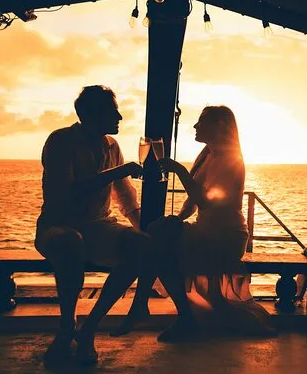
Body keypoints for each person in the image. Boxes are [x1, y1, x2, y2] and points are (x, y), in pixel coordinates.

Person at [114, 105, 274, 341]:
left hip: (227, 236)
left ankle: (159, 311)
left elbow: (207, 202)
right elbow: (193, 200)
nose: (195, 126)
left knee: (157, 238)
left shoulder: (231, 159)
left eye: (202, 121)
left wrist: (179, 171)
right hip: (205, 231)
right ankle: (155, 309)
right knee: (157, 237)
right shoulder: (208, 153)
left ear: (219, 125)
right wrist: (177, 220)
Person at [35, 85, 149, 365]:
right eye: (113, 112)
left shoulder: (112, 146)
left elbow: (125, 198)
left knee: (141, 245)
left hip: (98, 226)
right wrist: (119, 171)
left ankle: (89, 328)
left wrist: (144, 231)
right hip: (57, 224)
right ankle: (67, 325)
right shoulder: (60, 141)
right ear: (90, 114)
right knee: (71, 241)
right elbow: (65, 194)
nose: (120, 117)